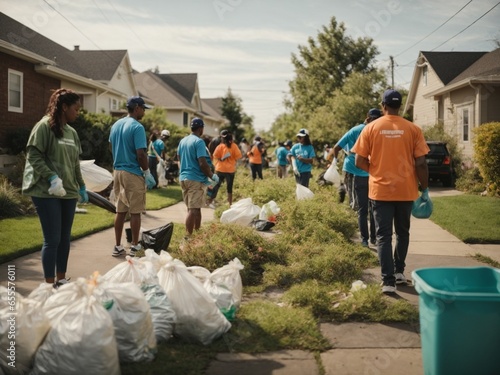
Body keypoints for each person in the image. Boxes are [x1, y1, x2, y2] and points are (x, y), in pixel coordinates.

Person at [352, 89, 430, 294]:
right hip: (406, 190)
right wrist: (425, 189)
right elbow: (421, 163)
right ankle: (399, 272)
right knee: (403, 233)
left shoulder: (370, 128)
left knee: (383, 236)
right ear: (400, 106)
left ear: (383, 106)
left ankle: (387, 281)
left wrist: (376, 171)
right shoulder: (413, 129)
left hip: (380, 191)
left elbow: (358, 160)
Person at [22, 88, 88, 287]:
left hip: (67, 191)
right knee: (53, 239)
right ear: (64, 107)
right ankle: (48, 286)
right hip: (45, 191)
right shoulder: (43, 127)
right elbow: (33, 155)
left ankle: (61, 280)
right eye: (76, 108)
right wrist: (51, 177)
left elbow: (75, 162)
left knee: (65, 238)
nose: (78, 112)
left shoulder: (72, 132)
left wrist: (82, 186)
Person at [109, 96, 156, 257]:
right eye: (143, 108)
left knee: (120, 211)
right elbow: (141, 154)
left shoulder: (116, 125)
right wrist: (147, 172)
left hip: (118, 172)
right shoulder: (137, 127)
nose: (144, 111)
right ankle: (135, 246)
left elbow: (112, 146)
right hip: (133, 173)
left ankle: (117, 246)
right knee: (135, 211)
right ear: (136, 108)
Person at [330, 108, 382, 247]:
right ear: (368, 118)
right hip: (362, 173)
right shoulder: (375, 130)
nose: (375, 122)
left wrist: (336, 161)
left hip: (364, 173)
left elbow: (336, 148)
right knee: (367, 208)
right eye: (374, 119)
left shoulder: (357, 130)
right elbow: (336, 148)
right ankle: (368, 239)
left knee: (365, 208)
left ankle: (368, 239)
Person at [177, 118, 219, 237]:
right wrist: (212, 176)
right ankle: (188, 238)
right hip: (195, 179)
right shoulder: (199, 142)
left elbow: (179, 158)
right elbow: (202, 163)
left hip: (184, 178)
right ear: (201, 128)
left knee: (194, 208)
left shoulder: (183, 141)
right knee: (193, 209)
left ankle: (197, 234)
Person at [208, 130, 242, 206]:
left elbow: (215, 155)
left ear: (222, 137)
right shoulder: (234, 146)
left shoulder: (220, 146)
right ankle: (230, 204)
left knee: (214, 185)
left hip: (220, 169)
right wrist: (232, 158)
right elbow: (239, 156)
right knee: (229, 188)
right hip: (230, 170)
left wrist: (221, 159)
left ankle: (209, 201)